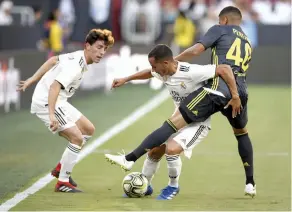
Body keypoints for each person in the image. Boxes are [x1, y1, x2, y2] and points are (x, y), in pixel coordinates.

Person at [105, 6, 256, 199]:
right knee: (241, 133)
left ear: (224, 20)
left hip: (221, 87)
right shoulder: (247, 40)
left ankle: (137, 164)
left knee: (170, 133)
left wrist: (175, 59)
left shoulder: (217, 32)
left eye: (219, 21)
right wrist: (126, 79)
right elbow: (150, 72)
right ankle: (250, 183)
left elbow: (201, 52)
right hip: (241, 89)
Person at [17, 29, 114, 193]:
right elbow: (54, 87)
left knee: (88, 129)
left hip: (59, 100)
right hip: (47, 102)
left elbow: (53, 60)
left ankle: (60, 168)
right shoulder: (75, 66)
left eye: (104, 49)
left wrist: (32, 79)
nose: (102, 52)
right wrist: (51, 115)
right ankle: (62, 181)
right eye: (98, 47)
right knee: (77, 138)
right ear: (87, 46)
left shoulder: (78, 56)